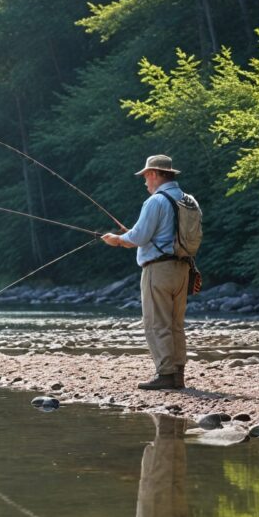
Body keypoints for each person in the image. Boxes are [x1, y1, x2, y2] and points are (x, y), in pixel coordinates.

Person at [101, 155, 189, 390]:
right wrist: (131, 235)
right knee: (175, 324)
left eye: (145, 177)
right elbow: (161, 235)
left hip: (158, 270)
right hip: (183, 268)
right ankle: (178, 374)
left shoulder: (156, 201)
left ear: (153, 174)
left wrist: (117, 240)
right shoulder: (188, 200)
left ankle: (166, 374)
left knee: (156, 323)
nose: (144, 182)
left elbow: (138, 238)